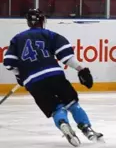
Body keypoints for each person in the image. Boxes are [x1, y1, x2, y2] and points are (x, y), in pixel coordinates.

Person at [3, 9, 103, 147]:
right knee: (72, 104)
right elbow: (66, 57)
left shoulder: (17, 39)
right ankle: (87, 129)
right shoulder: (48, 34)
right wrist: (82, 69)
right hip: (54, 75)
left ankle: (63, 123)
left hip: (33, 82)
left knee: (56, 109)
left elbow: (8, 63)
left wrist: (20, 76)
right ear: (42, 20)